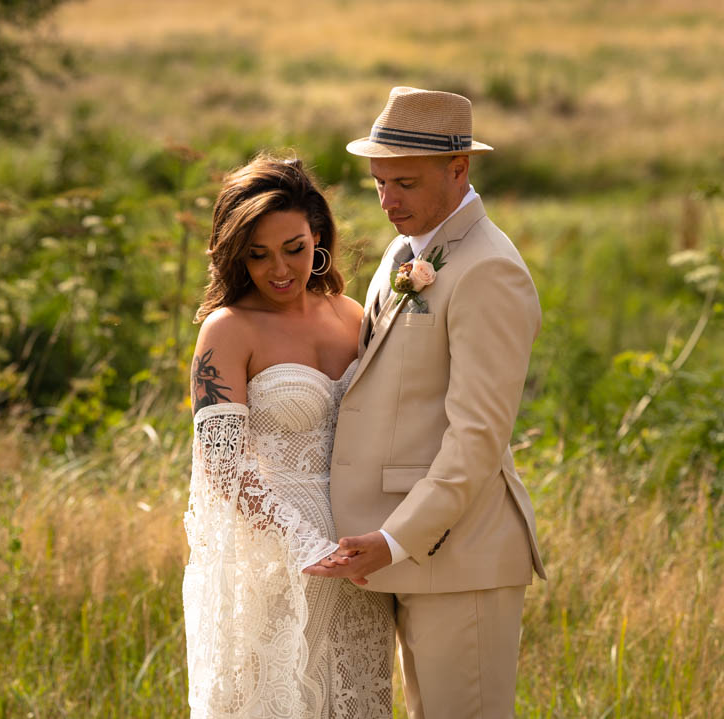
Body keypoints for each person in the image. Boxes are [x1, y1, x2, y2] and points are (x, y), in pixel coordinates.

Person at [303, 87, 547, 718]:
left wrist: (395, 537)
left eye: (404, 183)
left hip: (460, 557)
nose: (387, 202)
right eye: (379, 184)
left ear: (459, 169)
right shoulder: (399, 252)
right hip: (403, 555)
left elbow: (477, 440)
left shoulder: (490, 269)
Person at [183, 154, 395, 718]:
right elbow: (223, 461)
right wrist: (303, 544)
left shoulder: (353, 315)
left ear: (318, 235)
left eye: (294, 249)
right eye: (258, 255)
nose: (279, 269)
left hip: (359, 561)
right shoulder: (228, 328)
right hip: (278, 561)